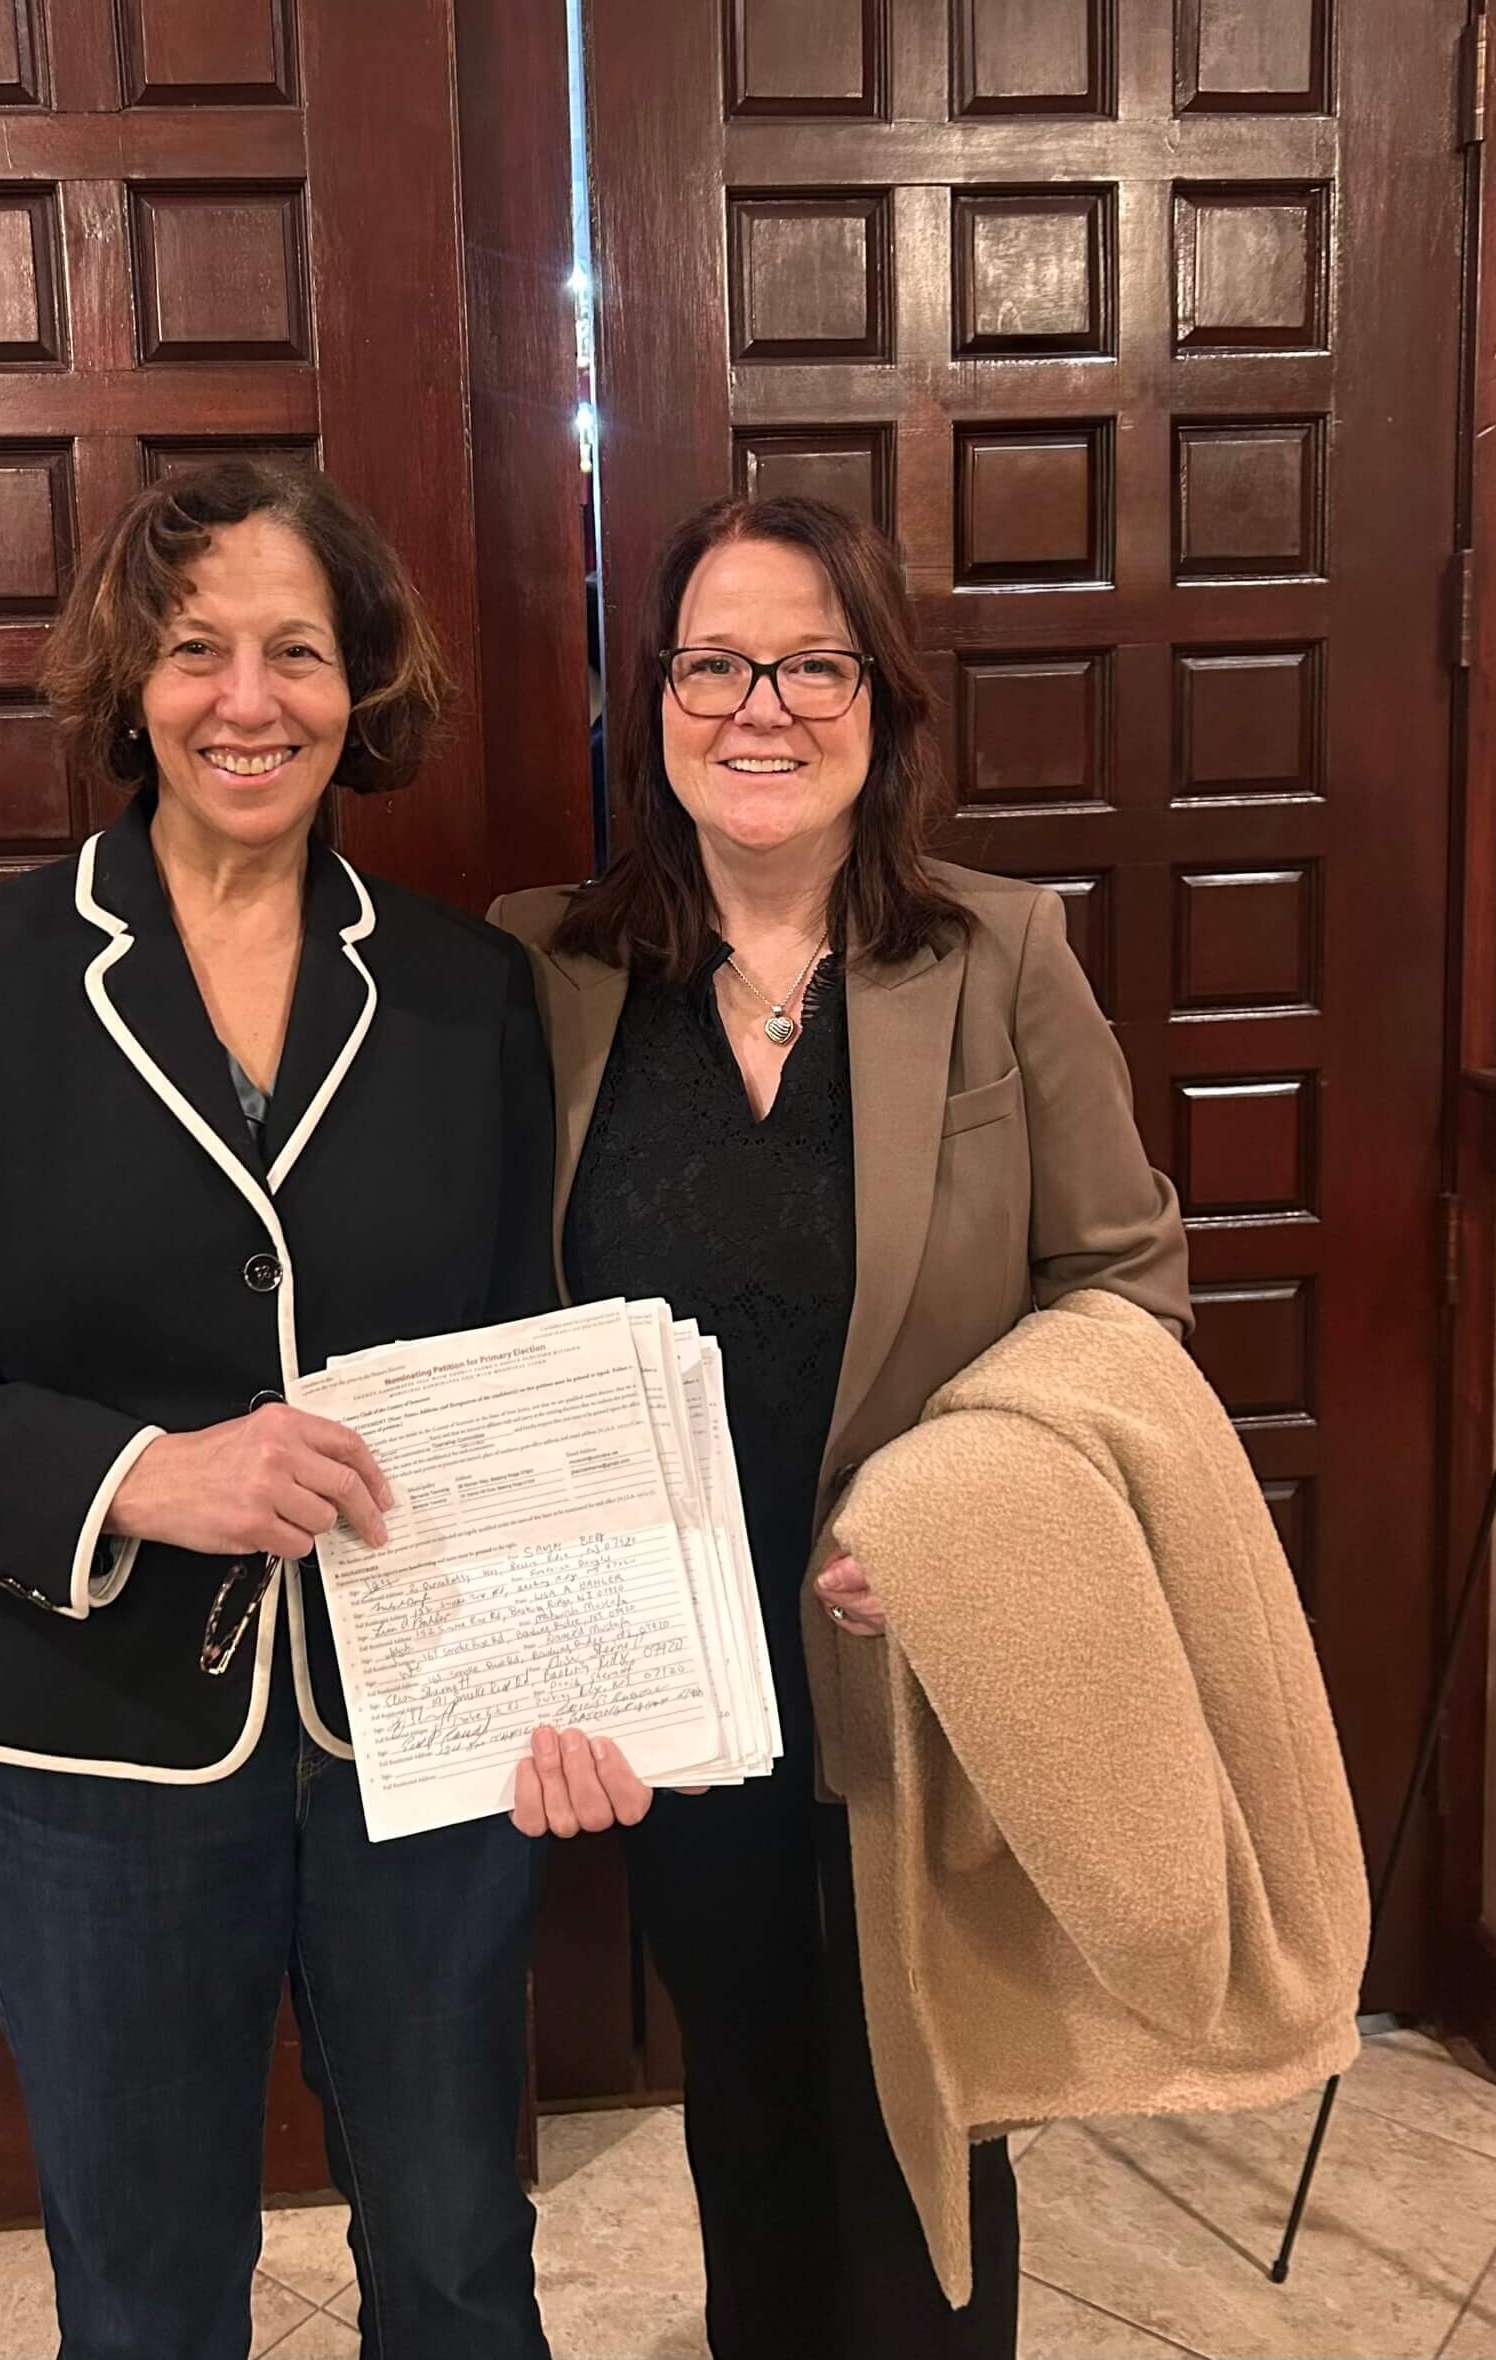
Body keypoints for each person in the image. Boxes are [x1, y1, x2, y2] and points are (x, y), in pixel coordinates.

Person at [0, 460, 556, 2360]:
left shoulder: (468, 991)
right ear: (130, 682)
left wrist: (580, 1666)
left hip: (414, 1734)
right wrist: (138, 1477)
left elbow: (520, 1365)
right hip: (82, 1741)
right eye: (198, 649)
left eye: (298, 651)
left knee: (460, 2254)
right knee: (147, 2285)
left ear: (360, 688)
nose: (248, 699)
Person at [493, 492, 1192, 2360]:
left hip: (917, 1662)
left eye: (812, 660)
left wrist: (967, 1519)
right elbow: (477, 1314)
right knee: (744, 2097)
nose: (761, 704)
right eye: (715, 660)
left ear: (878, 699)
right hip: (670, 1677)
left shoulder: (998, 955)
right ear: (651, 696)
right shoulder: (545, 971)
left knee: (928, 2114)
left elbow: (1125, 1289)